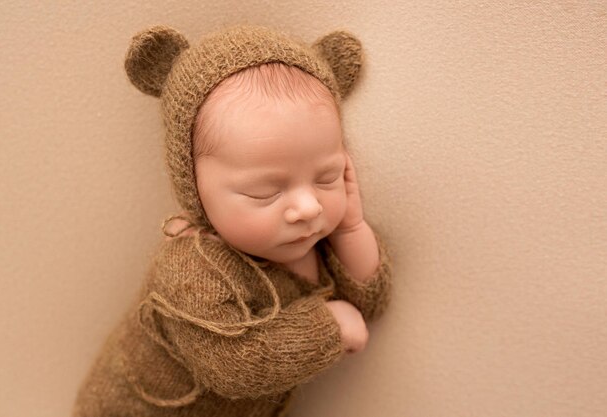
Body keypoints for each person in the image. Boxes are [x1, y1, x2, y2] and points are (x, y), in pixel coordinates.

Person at [73, 25, 392, 417]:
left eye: (326, 177)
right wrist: (328, 329)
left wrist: (350, 226)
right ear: (194, 187)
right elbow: (233, 365)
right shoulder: (192, 267)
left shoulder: (307, 233)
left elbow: (368, 303)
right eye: (265, 192)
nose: (309, 207)